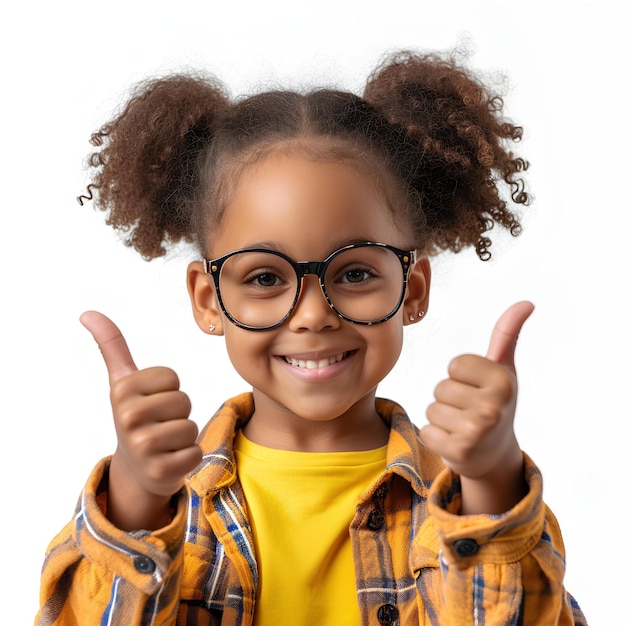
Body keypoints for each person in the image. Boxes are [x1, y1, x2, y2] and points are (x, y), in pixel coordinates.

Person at [37, 49, 587, 625]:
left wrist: (493, 487)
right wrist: (134, 503)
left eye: (354, 273)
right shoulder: (170, 501)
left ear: (414, 288)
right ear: (209, 300)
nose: (313, 314)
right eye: (265, 277)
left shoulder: (463, 501)